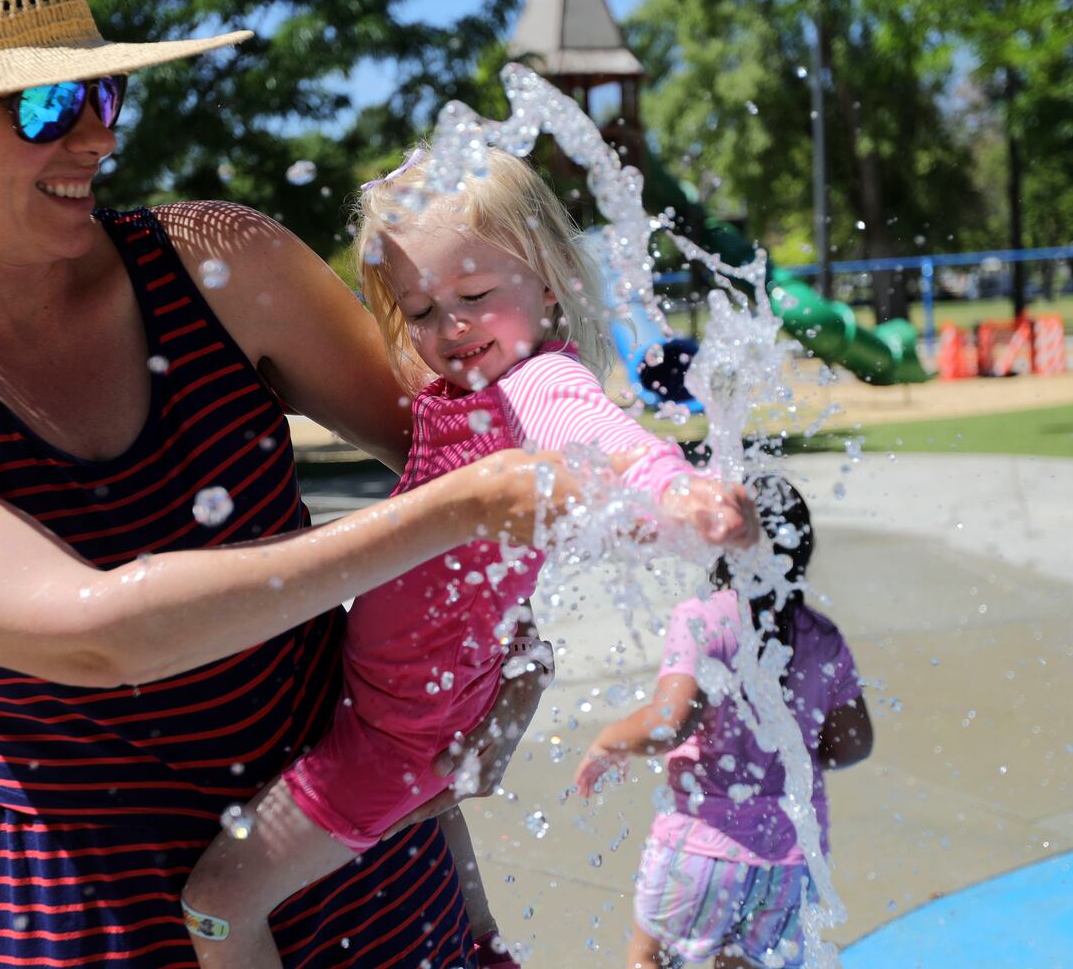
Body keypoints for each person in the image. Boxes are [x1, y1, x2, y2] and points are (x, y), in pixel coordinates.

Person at [0, 0, 756, 968]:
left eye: (104, 92)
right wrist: (460, 511)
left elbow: (477, 434)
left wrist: (509, 654)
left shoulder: (219, 264)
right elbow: (95, 634)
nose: (94, 132)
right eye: (43, 105)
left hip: (380, 900)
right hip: (101, 940)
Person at [181, 147, 754, 968]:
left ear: (549, 282)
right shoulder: (460, 388)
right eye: (419, 309)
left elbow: (601, 437)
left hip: (397, 724)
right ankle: (483, 949)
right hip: (427, 691)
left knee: (217, 902)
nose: (448, 329)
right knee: (437, 809)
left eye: (475, 297)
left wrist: (675, 489)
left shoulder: (535, 385)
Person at [576, 478, 872, 969]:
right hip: (788, 858)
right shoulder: (822, 636)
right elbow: (854, 744)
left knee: (651, 958)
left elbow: (669, 723)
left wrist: (609, 740)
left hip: (700, 848)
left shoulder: (706, 618)